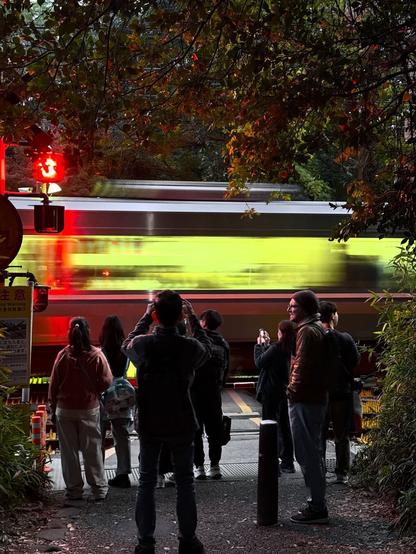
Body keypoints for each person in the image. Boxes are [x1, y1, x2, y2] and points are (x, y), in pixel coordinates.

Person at [122, 290, 212, 554]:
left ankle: (146, 542)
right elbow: (207, 349)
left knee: (147, 481)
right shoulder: (190, 347)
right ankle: (187, 540)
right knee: (185, 481)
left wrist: (144, 318)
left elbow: (125, 344)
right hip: (182, 419)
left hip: (149, 420)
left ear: (156, 315)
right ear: (181, 315)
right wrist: (194, 319)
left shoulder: (142, 344)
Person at [48, 317, 112, 502]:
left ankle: (74, 491)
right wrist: (93, 391)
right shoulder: (96, 355)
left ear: (70, 332)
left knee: (69, 453)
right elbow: (107, 382)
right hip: (88, 409)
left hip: (64, 410)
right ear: (88, 331)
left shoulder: (63, 355)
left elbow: (54, 384)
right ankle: (98, 489)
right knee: (91, 449)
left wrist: (52, 405)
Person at [287, 290, 329, 524]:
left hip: (305, 399)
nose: (289, 309)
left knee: (307, 452)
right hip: (315, 397)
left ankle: (316, 506)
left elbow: (300, 366)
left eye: (293, 306)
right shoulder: (317, 328)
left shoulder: (307, 331)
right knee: (313, 450)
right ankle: (317, 503)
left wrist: (291, 391)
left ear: (304, 308)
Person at [319, 301, 360, 485]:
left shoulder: (314, 337)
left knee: (318, 433)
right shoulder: (345, 338)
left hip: (319, 393)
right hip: (341, 392)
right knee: (341, 434)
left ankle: (317, 471)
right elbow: (354, 362)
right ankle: (342, 473)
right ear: (334, 315)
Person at [191, 309, 229, 480]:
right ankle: (215, 466)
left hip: (195, 392)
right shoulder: (223, 343)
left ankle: (199, 467)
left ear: (203, 322)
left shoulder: (196, 342)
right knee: (214, 430)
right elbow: (225, 370)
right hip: (213, 392)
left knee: (196, 430)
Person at [254, 321, 296, 474]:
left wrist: (259, 346)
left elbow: (260, 362)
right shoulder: (291, 347)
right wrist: (268, 346)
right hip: (285, 391)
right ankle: (287, 462)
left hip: (271, 393)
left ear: (281, 333)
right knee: (285, 427)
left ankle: (272, 462)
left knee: (270, 427)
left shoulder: (276, 348)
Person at [99, 315, 133, 489]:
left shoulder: (101, 351)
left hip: (105, 396)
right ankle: (123, 474)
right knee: (122, 436)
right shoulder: (126, 349)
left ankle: (98, 475)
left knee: (99, 436)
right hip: (122, 395)